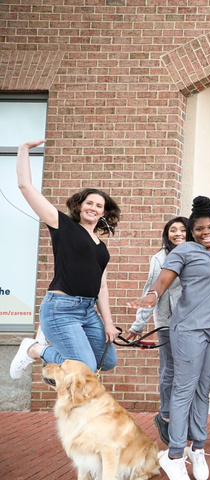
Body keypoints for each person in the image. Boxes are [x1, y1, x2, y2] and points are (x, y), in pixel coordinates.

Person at [127, 168, 210, 480]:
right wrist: (151, 295)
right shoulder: (183, 251)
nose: (206, 233)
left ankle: (197, 448)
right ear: (191, 231)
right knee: (183, 390)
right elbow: (163, 281)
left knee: (202, 390)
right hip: (188, 330)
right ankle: (173, 454)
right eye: (199, 229)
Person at [11, 139, 121, 379]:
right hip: (61, 309)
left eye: (99, 205)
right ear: (80, 206)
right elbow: (25, 186)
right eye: (89, 203)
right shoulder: (63, 225)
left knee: (108, 360)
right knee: (86, 367)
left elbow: (101, 286)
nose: (93, 207)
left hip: (88, 310)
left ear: (104, 213)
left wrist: (109, 323)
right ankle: (35, 349)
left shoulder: (102, 248)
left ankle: (52, 361)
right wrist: (23, 150)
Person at [122, 216, 190, 445]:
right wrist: (137, 326)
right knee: (170, 370)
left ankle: (183, 418)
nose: (178, 233)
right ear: (167, 234)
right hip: (167, 323)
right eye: (173, 230)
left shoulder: (198, 254)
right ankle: (166, 416)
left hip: (192, 323)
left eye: (183, 229)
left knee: (189, 372)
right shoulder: (160, 258)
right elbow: (150, 291)